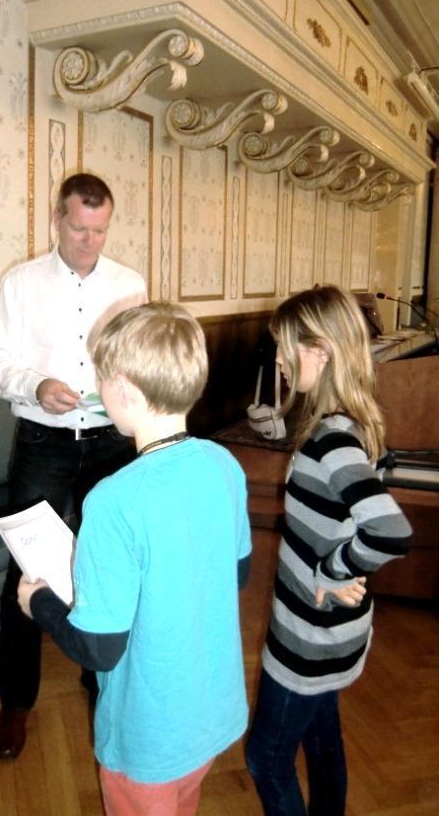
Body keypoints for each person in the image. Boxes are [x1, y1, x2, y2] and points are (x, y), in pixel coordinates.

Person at [18, 302, 252, 816]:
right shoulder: (225, 464)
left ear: (123, 390)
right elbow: (234, 573)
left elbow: (98, 649)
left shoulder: (114, 499)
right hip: (211, 711)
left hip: (149, 735)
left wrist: (40, 603)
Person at [0, 173, 147, 759]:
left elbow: (141, 360)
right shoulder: (20, 282)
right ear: (58, 219)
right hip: (44, 442)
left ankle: (98, 674)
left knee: (108, 562)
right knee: (25, 570)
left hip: (111, 443)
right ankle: (15, 701)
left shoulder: (131, 285)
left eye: (100, 231)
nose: (89, 242)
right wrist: (37, 383)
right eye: (79, 228)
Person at [244, 285, 413, 816]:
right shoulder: (359, 424)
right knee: (321, 740)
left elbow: (389, 530)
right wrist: (337, 571)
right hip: (338, 630)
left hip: (308, 639)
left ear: (321, 350)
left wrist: (331, 569)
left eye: (286, 347)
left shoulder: (330, 441)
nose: (278, 360)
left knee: (266, 759)